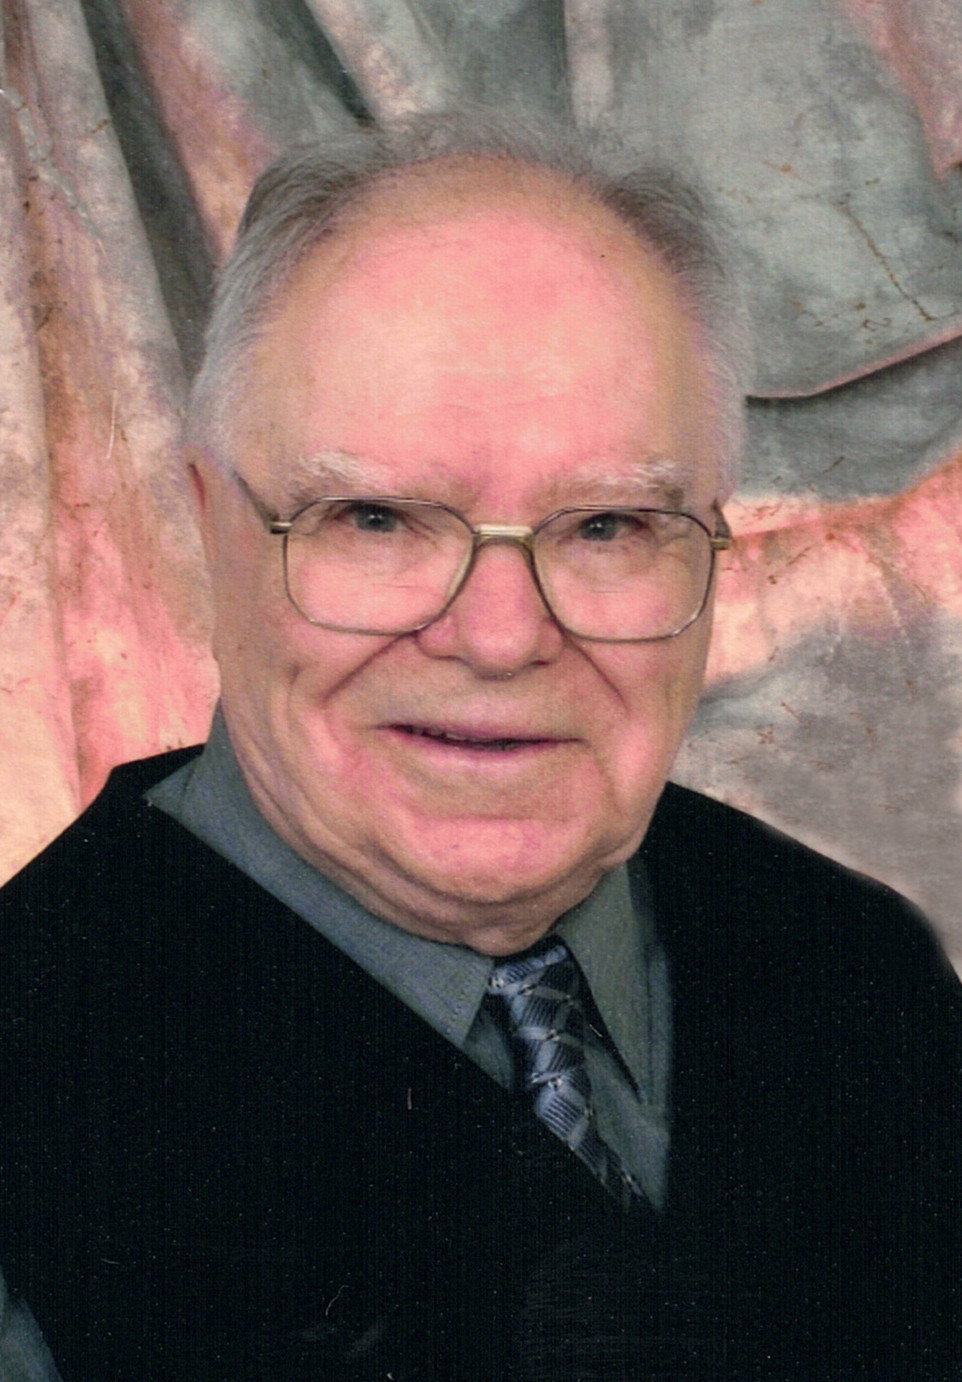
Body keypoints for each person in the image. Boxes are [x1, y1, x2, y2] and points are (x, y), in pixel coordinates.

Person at [1, 115, 960, 1382]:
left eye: (607, 524)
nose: (502, 637)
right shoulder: (30, 1089)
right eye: (377, 516)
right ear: (209, 529)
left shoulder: (861, 971)